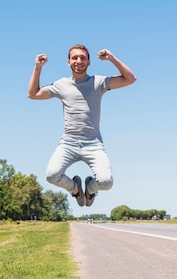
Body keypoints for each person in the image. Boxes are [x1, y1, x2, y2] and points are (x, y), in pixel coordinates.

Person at [28, 44, 136, 207]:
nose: (79, 61)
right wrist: (38, 67)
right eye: (75, 58)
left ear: (89, 62)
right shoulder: (61, 85)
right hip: (68, 143)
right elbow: (33, 94)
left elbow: (130, 79)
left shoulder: (98, 82)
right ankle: (76, 189)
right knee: (51, 175)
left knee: (106, 182)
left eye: (83, 58)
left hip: (93, 143)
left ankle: (90, 189)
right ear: (68, 62)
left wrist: (112, 58)